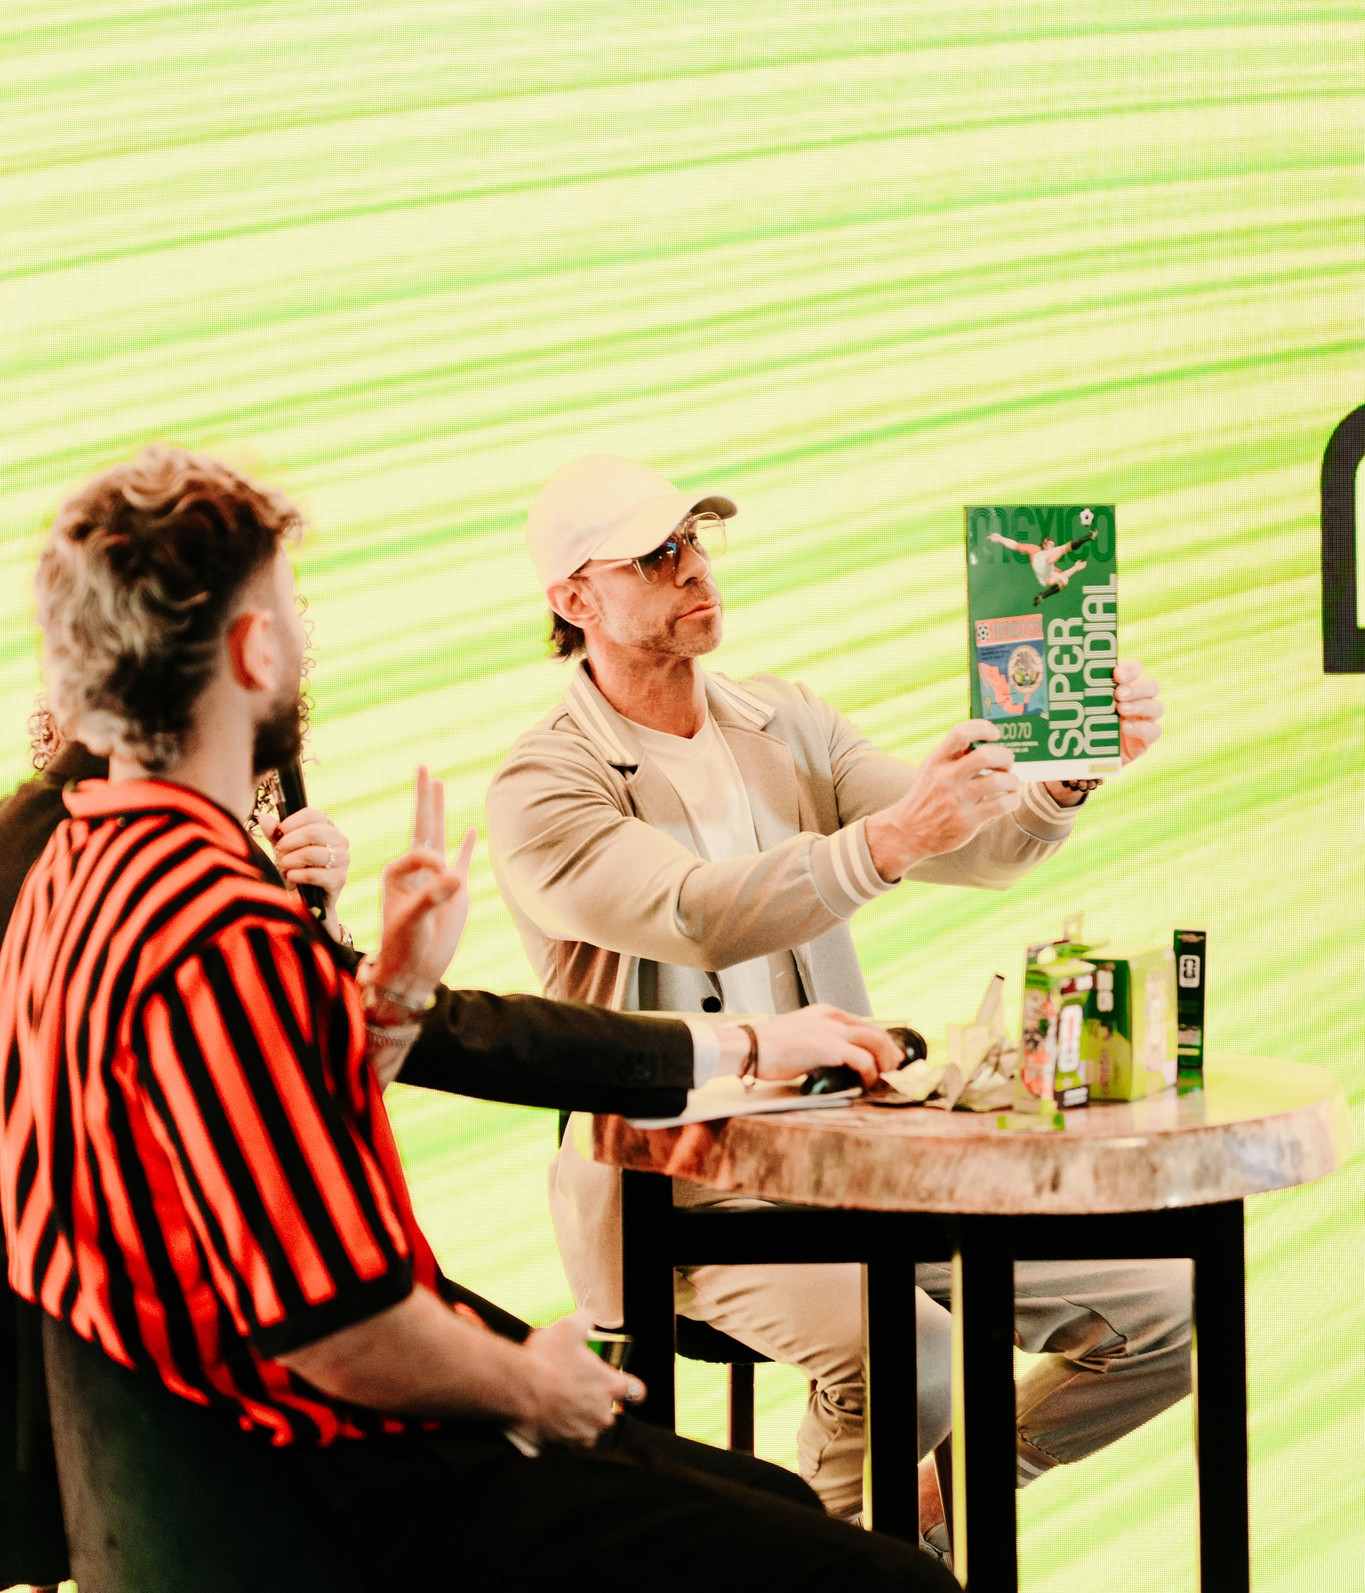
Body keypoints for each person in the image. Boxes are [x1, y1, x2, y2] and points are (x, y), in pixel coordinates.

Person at [0, 446, 952, 1591]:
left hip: (208, 1477)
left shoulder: (78, 868)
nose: (305, 645)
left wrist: (398, 988)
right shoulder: (220, 926)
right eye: (294, 616)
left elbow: (254, 1110)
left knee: (783, 1504)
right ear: (254, 653)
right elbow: (343, 1331)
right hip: (329, 1494)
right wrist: (534, 1385)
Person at [486, 452, 1190, 1538]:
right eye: (655, 555)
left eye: (695, 541)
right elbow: (694, 911)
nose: (694, 568)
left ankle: (923, 1518)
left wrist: (1063, 773)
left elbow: (970, 844)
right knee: (916, 1357)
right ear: (574, 600)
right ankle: (838, 1565)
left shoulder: (786, 720)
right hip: (686, 1195)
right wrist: (890, 839)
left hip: (857, 1164)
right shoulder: (542, 782)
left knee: (1170, 1309)